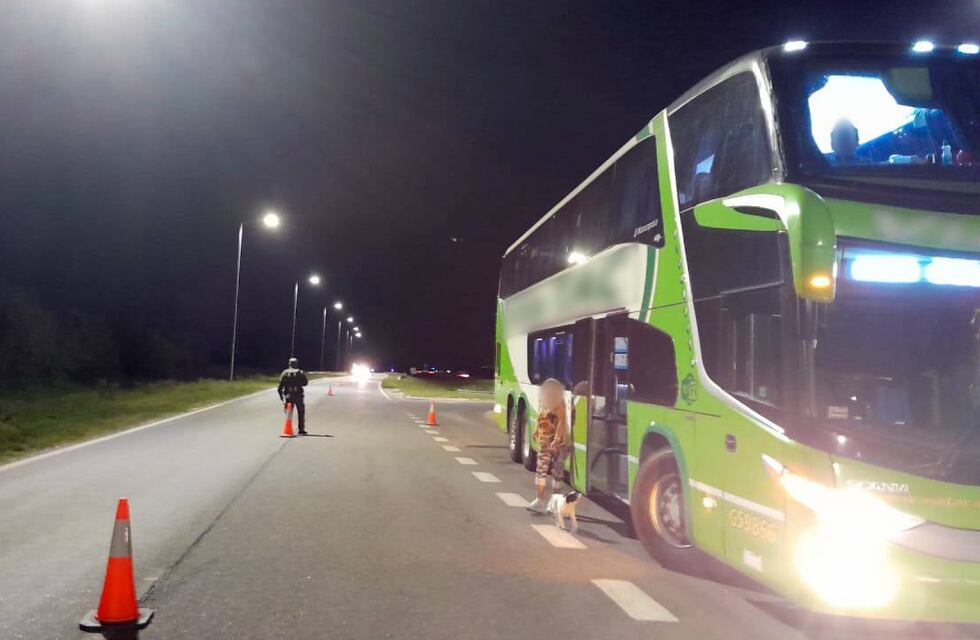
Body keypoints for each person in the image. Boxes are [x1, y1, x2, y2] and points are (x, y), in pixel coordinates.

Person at [527, 378, 571, 514]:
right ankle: (539, 500)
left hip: (560, 442)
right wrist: (535, 430)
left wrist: (557, 440)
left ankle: (554, 502)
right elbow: (541, 417)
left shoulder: (560, 402)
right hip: (544, 440)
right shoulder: (543, 400)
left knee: (557, 472)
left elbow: (562, 422)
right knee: (541, 470)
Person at [278, 357, 309, 435]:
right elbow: (305, 383)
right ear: (296, 364)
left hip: (288, 396)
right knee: (301, 412)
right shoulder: (300, 372)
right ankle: (301, 429)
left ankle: (288, 427)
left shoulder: (285, 373)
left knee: (288, 413)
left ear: (289, 364)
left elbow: (280, 387)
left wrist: (282, 397)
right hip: (298, 395)